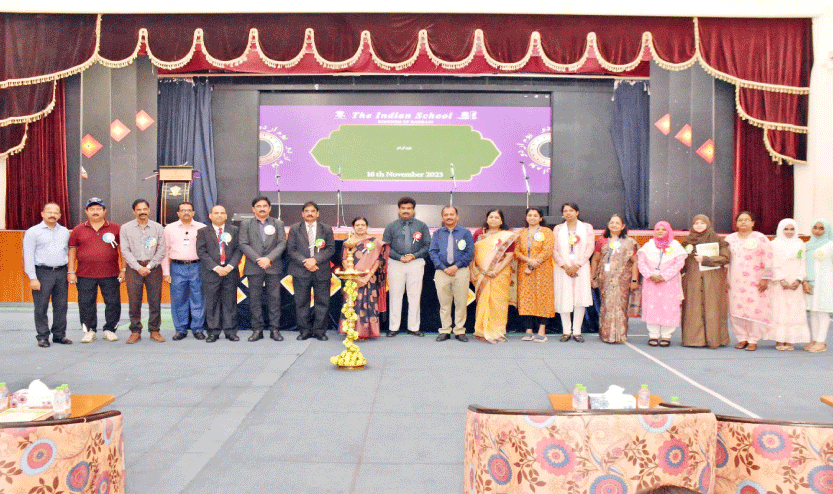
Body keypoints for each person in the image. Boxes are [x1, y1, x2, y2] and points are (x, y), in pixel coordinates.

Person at [68, 197, 124, 343]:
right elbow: (72, 250)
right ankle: (89, 331)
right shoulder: (78, 229)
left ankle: (110, 330)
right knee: (86, 303)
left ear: (104, 211)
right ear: (86, 211)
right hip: (85, 274)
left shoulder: (115, 228)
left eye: (98, 209)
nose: (95, 212)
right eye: (92, 209)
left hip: (111, 273)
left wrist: (123, 269)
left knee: (113, 303)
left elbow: (123, 250)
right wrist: (71, 271)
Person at [23, 202, 71, 347]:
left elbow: (68, 252)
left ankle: (59, 335)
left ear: (60, 215)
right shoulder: (33, 232)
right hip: (42, 272)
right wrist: (32, 277)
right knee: (41, 306)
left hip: (61, 272)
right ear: (42, 214)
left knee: (61, 306)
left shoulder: (64, 232)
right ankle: (43, 337)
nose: (52, 215)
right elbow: (28, 256)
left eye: (56, 212)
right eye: (49, 212)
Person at [382, 197, 432, 337]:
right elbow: (386, 246)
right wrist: (400, 257)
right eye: (403, 208)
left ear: (413, 210)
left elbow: (427, 245)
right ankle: (393, 327)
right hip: (396, 263)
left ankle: (413, 327)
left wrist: (414, 256)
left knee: (414, 295)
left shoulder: (421, 226)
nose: (405, 211)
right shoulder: (391, 226)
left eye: (409, 208)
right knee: (395, 295)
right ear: (398, 210)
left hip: (415, 263)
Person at [239, 196, 286, 342]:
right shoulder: (246, 224)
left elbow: (282, 243)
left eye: (265, 206)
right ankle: (257, 330)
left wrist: (269, 259)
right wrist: (258, 259)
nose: (262, 209)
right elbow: (243, 243)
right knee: (254, 300)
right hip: (254, 266)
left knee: (274, 300)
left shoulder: (278, 223)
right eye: (258, 206)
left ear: (270, 208)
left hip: (273, 266)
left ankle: (274, 330)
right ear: (253, 209)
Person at [680, 214, 730, 348]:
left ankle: (714, 339)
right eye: (696, 223)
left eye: (702, 223)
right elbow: (681, 260)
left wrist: (706, 259)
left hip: (712, 278)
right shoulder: (687, 241)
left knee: (712, 307)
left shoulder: (717, 240)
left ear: (708, 224)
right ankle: (694, 340)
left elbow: (725, 258)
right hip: (693, 278)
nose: (699, 225)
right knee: (694, 307)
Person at [286, 201, 335, 341]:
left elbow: (330, 248)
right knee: (301, 302)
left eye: (313, 211)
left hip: (321, 270)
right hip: (300, 270)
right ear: (302, 214)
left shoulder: (326, 229)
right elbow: (291, 250)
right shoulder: (295, 229)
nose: (310, 213)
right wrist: (306, 262)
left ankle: (320, 331)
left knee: (323, 302)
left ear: (317, 213)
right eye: (307, 211)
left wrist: (315, 260)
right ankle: (304, 331)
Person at [119, 199, 166, 344]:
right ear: (134, 212)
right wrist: (138, 267)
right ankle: (135, 331)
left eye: (145, 209)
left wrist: (149, 266)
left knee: (155, 300)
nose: (142, 212)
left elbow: (161, 249)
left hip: (154, 268)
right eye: (139, 210)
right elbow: (125, 250)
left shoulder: (158, 228)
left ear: (149, 210)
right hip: (134, 269)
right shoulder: (125, 228)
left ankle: (154, 330)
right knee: (134, 301)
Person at [726, 211, 772, 351]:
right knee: (736, 310)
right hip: (735, 281)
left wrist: (765, 278)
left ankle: (753, 339)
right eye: (740, 220)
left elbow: (769, 259)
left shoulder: (760, 238)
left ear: (752, 223)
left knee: (754, 310)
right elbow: (725, 261)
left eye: (747, 220)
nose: (743, 222)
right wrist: (724, 279)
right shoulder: (730, 239)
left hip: (755, 282)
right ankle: (742, 338)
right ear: (736, 223)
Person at [470, 209, 517, 343]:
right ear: (487, 219)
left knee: (499, 303)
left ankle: (497, 332)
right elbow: (472, 254)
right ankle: (481, 331)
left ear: (501, 221)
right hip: (481, 273)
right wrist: (472, 272)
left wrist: (496, 271)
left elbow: (509, 256)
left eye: (496, 218)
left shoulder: (507, 235)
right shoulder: (479, 234)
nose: (493, 220)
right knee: (482, 302)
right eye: (491, 217)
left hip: (500, 273)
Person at [197, 205, 243, 342]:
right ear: (210, 216)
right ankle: (213, 332)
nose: (219, 215)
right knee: (212, 303)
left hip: (230, 272)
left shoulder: (234, 230)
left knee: (230, 302)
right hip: (211, 273)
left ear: (226, 216)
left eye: (222, 213)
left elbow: (239, 250)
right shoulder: (203, 232)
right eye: (216, 213)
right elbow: (201, 252)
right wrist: (216, 268)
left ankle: (230, 331)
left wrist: (229, 266)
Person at [162, 202, 207, 341]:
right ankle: (180, 329)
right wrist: (166, 272)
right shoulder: (169, 228)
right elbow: (165, 251)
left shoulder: (202, 227)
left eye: (189, 210)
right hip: (177, 267)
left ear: (193, 213)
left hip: (197, 266)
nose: (186, 213)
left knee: (198, 298)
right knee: (178, 299)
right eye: (183, 210)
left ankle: (198, 329)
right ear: (178, 213)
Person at [429, 206, 474, 342]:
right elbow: (433, 252)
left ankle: (459, 331)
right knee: (444, 303)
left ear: (457, 216)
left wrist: (455, 267)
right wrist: (444, 268)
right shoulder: (437, 234)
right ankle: (445, 330)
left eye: (451, 214)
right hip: (442, 272)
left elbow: (469, 252)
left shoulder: (465, 233)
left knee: (461, 303)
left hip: (460, 271)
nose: (449, 217)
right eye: (446, 215)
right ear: (442, 217)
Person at [339, 217, 390, 340]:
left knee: (367, 303)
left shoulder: (374, 242)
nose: (360, 227)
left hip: (369, 279)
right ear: (353, 227)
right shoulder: (348, 242)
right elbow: (344, 259)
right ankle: (350, 330)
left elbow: (378, 261)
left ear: (367, 227)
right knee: (351, 303)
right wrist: (354, 275)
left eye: (363, 225)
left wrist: (367, 277)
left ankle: (365, 332)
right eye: (357, 225)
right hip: (352, 278)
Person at [637, 221, 686, 347]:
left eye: (663, 229)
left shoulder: (675, 246)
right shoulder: (648, 245)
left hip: (669, 283)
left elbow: (679, 263)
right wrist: (650, 275)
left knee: (669, 307)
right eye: (658, 229)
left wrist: (664, 276)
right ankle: (653, 334)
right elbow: (641, 262)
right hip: (651, 282)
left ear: (669, 231)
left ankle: (666, 335)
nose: (660, 231)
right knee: (652, 306)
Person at [591, 214, 638, 344]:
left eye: (617, 223)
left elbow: (635, 261)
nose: (614, 225)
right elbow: (595, 259)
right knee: (606, 306)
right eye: (612, 222)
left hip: (622, 280)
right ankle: (607, 335)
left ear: (623, 226)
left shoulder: (629, 242)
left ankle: (620, 335)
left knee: (620, 306)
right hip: (605, 279)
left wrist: (634, 280)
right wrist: (592, 276)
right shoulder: (602, 240)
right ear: (608, 225)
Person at [552, 203, 595, 342]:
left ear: (577, 212)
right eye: (565, 211)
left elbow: (590, 247)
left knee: (580, 299)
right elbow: (554, 249)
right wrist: (565, 266)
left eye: (571, 210)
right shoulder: (558, 229)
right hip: (562, 269)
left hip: (581, 268)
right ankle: (566, 331)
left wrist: (577, 265)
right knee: (564, 297)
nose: (568, 213)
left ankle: (577, 331)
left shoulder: (587, 227)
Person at [768, 218, 810, 351]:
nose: (789, 232)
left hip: (795, 281)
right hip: (779, 281)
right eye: (786, 229)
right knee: (780, 308)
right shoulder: (774, 244)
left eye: (792, 229)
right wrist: (781, 279)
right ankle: (780, 339)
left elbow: (803, 262)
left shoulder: (800, 243)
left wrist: (799, 279)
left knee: (794, 309)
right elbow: (772, 263)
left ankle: (791, 339)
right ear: (780, 229)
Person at [514, 207, 554, 342]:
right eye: (530, 215)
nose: (532, 218)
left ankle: (542, 331)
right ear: (526, 218)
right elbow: (516, 252)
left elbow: (547, 250)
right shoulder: (521, 233)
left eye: (535, 215)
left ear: (540, 218)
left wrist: (533, 263)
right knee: (526, 299)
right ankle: (529, 330)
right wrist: (528, 261)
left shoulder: (547, 232)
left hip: (542, 269)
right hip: (524, 270)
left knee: (543, 298)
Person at [803, 218, 833, 353]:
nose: (818, 231)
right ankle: (815, 340)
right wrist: (804, 281)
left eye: (822, 228)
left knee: (822, 312)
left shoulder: (830, 245)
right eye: (815, 228)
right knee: (813, 312)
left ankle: (821, 342)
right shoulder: (807, 245)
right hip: (810, 284)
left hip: (824, 283)